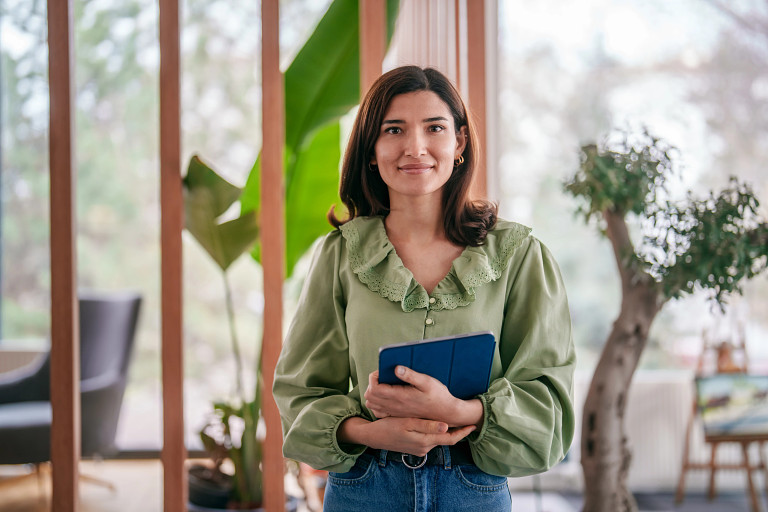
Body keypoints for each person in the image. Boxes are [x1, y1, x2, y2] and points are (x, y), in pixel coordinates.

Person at [273, 65, 575, 512]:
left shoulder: (519, 255)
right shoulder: (339, 254)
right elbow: (300, 393)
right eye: (393, 129)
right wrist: (370, 431)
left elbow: (549, 398)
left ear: (459, 143)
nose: (415, 147)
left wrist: (462, 411)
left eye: (434, 127)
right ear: (371, 151)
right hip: (363, 490)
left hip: (474, 489)